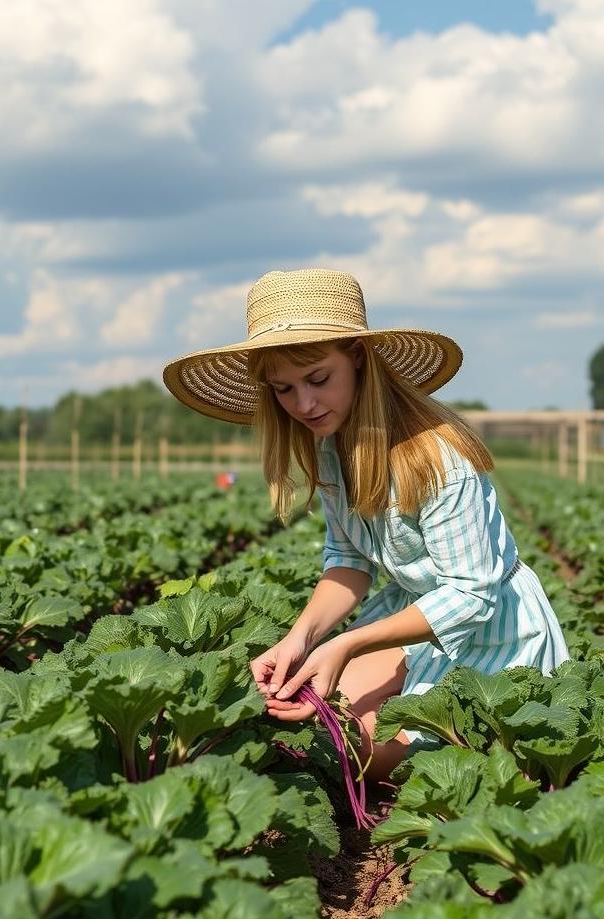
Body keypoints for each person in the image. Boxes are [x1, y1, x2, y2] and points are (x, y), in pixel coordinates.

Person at [162, 268, 569, 781]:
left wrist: (346, 644)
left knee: (363, 756)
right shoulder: (331, 447)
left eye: (318, 380)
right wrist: (300, 639)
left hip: (492, 632)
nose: (304, 405)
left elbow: (472, 594)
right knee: (316, 720)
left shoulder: (435, 457)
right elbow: (349, 562)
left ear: (358, 361)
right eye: (284, 389)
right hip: (412, 620)